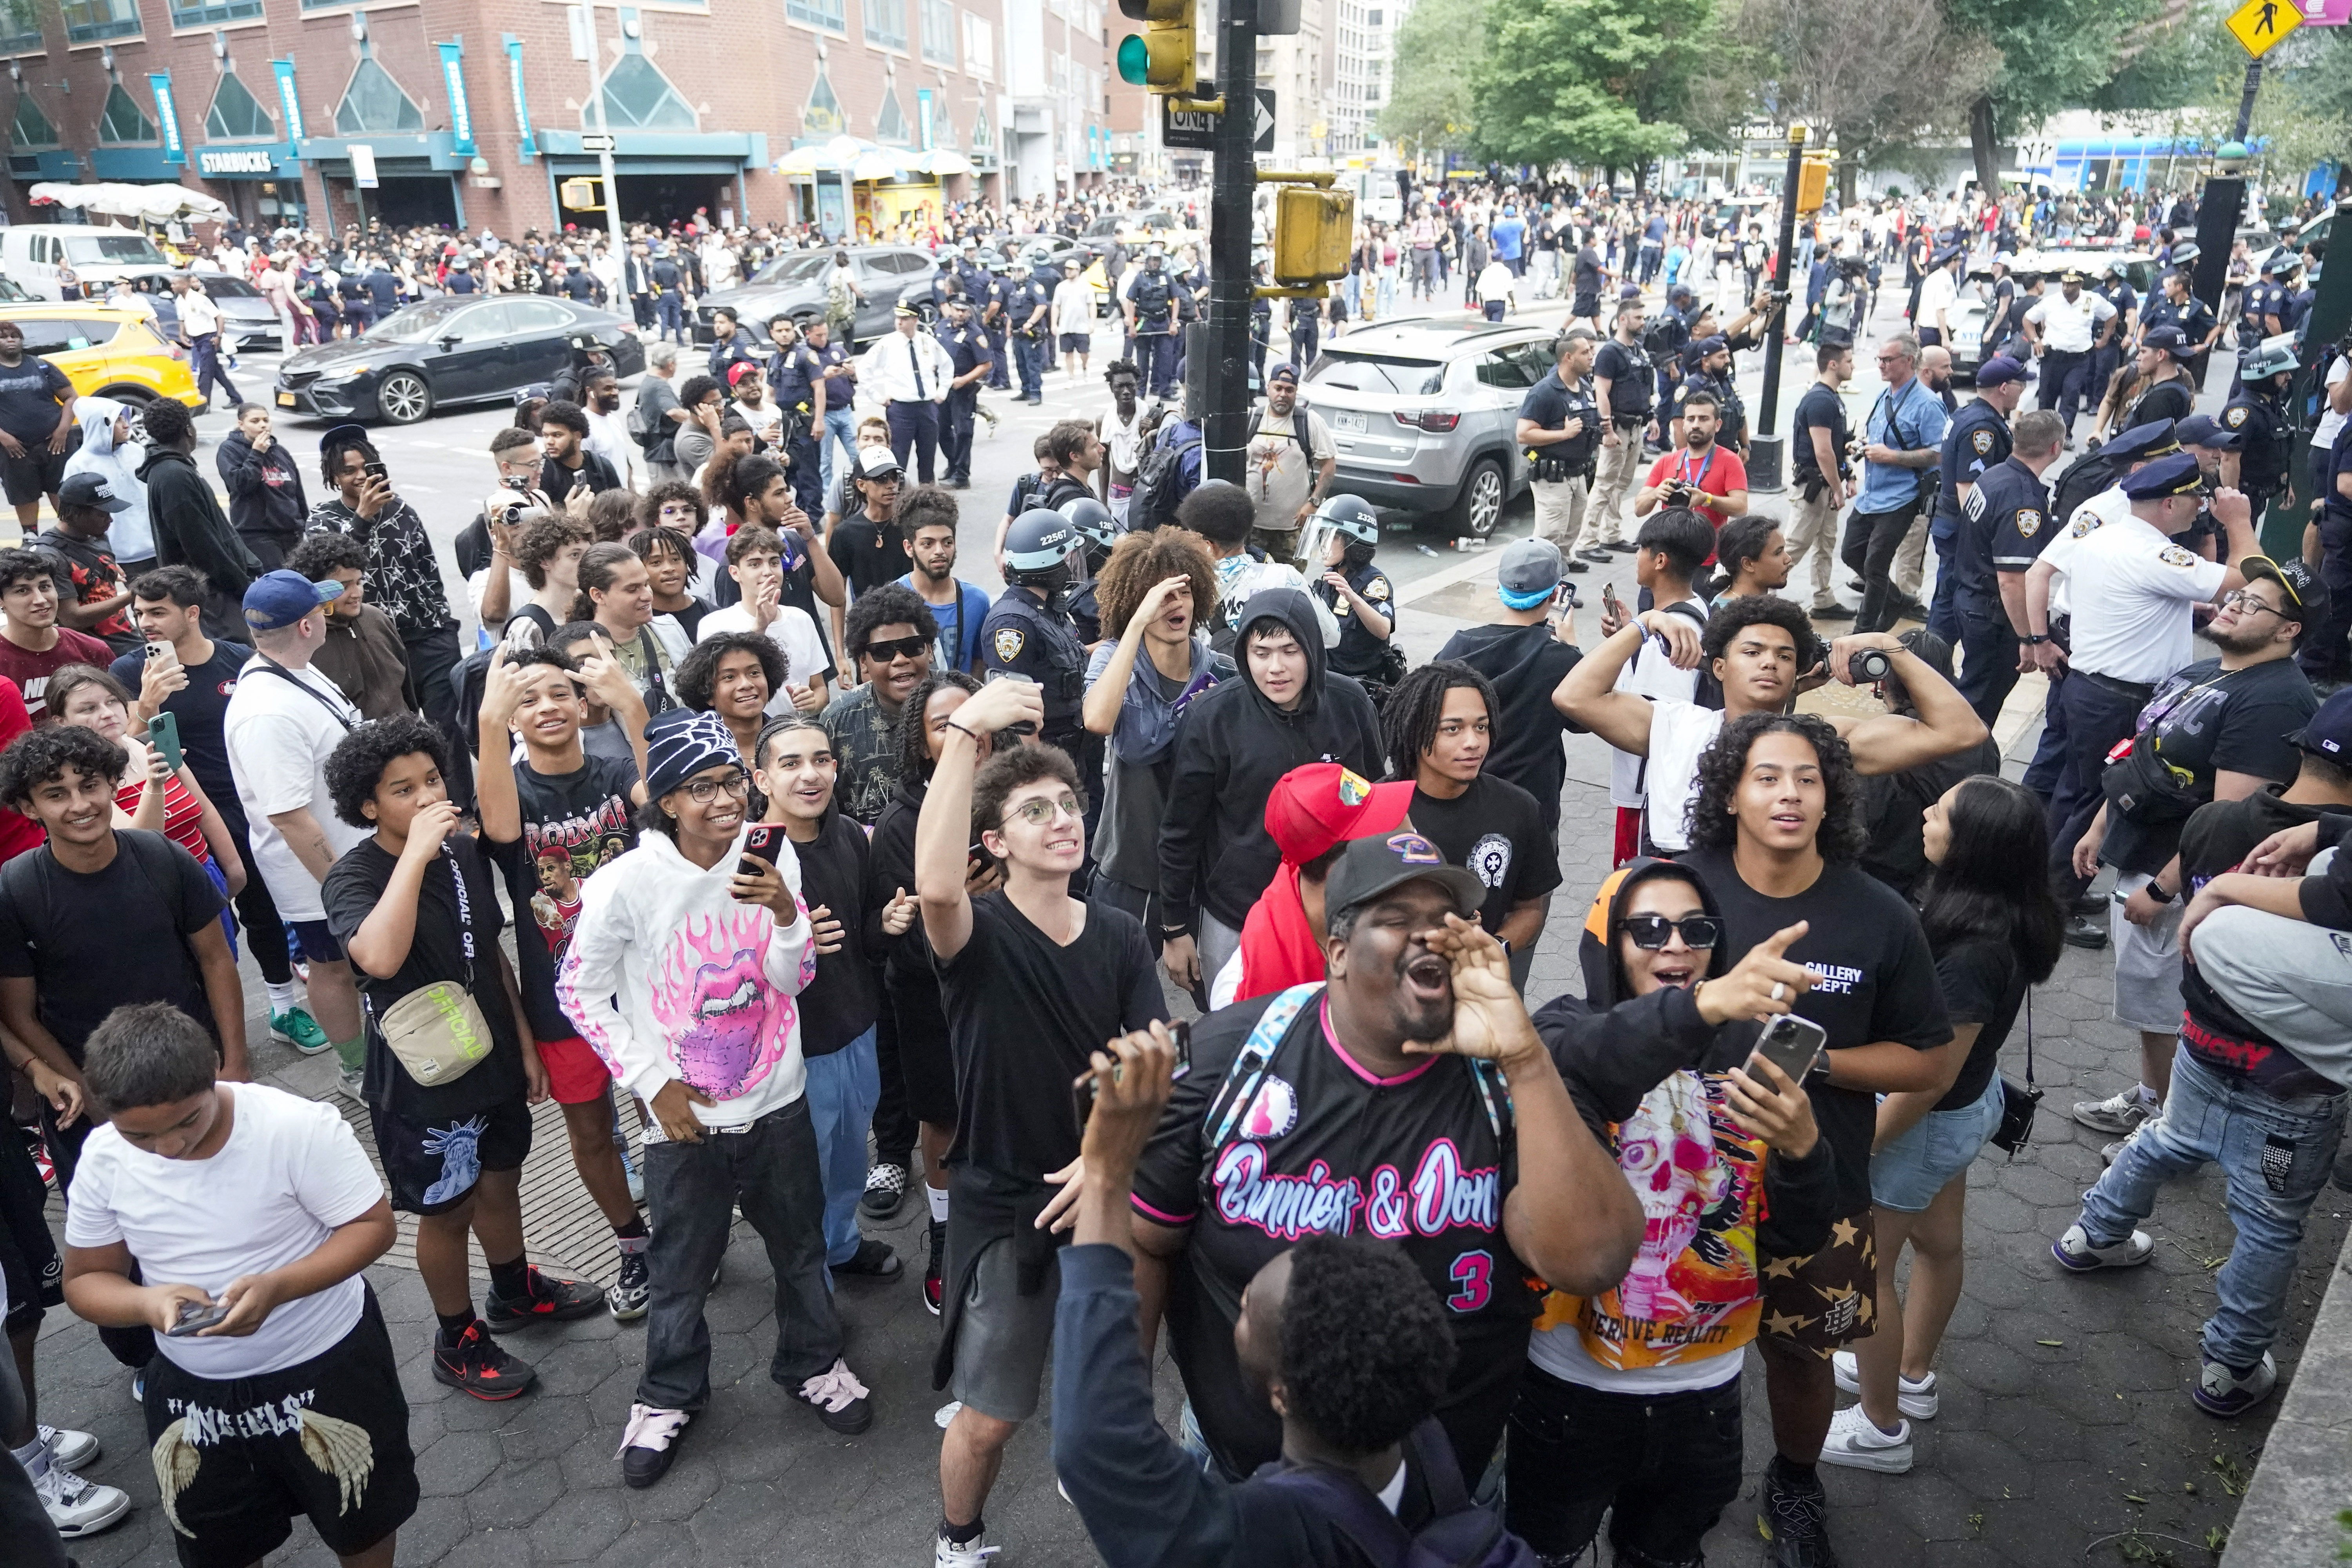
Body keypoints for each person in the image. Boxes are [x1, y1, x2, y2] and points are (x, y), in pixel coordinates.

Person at [1131, 829, 1643, 1485]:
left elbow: (1592, 1261)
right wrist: (1126, 1423)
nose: (1431, 935)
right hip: (1238, 1480)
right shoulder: (1226, 1056)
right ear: (1339, 952)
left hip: (1441, 1492)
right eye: (1399, 919)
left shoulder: (1515, 1078)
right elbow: (1148, 1240)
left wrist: (1524, 1059)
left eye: (1450, 921)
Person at [1054, 1025, 1537, 1568]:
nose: (1240, 1300)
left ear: (1282, 1396)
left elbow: (1098, 1452)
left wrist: (1106, 1175)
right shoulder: (1426, 1448)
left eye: (1246, 1313)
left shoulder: (1268, 1540)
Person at [557, 707, 873, 1487]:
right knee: (680, 1268)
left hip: (779, 1102)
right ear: (666, 800)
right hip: (684, 1121)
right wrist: (650, 1082)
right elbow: (578, 991)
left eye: (732, 780)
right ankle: (667, 1395)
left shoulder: (770, 857)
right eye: (702, 787)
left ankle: (813, 1362)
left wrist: (785, 914)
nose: (726, 799)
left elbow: (793, 978)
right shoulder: (624, 884)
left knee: (799, 1248)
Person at [1668, 711, 1956, 1566]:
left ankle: (1796, 1483)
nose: (1788, 794)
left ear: (1833, 797)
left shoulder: (1881, 915)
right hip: (1675, 1182)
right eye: (1766, 776)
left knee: (1800, 1354)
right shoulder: (1673, 894)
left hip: (1819, 1188)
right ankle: (1663, 1483)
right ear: (1730, 793)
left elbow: (1927, 1061)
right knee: (1667, 1344)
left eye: (1808, 778)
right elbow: (1610, 1021)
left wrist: (1817, 1062)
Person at [1512, 858, 1834, 1566]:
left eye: (1697, 929)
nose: (1677, 945)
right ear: (1607, 941)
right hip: (1571, 1395)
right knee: (1543, 1552)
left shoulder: (1751, 1055)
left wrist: (1803, 1151)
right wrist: (1705, 1007)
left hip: (1705, 1399)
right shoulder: (1563, 1029)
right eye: (1650, 929)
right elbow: (1587, 1058)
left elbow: (1793, 1238)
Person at [912, 677, 1166, 1568]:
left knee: (1112, 1388)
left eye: (1068, 804)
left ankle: (1087, 1465)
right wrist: (963, 736)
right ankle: (958, 1539)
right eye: (1034, 811)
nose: (1061, 820)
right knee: (989, 1417)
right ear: (995, 841)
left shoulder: (1121, 938)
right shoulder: (974, 935)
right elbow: (934, 885)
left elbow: (1151, 1064)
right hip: (1006, 1204)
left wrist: (1104, 1161)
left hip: (1103, 1196)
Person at [58, 1003, 414, 1568]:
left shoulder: (295, 1127)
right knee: (218, 1540)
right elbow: (85, 1280)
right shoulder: (104, 1158)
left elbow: (372, 1227)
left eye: (187, 1122)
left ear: (215, 1074)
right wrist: (146, 1302)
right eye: (139, 1135)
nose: (168, 1148)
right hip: (194, 1385)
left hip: (327, 1363)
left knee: (362, 1519)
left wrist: (280, 1286)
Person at [323, 713, 606, 1398]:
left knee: (502, 1178)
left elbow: (490, 956)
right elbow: (378, 957)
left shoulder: (464, 854)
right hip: (422, 1075)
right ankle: (457, 1339)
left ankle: (514, 1290)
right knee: (447, 1209)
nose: (427, 797)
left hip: (492, 1050)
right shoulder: (354, 875)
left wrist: (525, 1043)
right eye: (402, 790)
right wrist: (416, 856)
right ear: (368, 806)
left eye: (432, 780)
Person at [1823, 777, 2063, 1474]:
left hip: (1923, 1124)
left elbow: (1925, 1081)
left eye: (1941, 813)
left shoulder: (1970, 953)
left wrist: (1860, 1148)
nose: (1926, 815)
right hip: (1968, 1108)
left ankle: (1880, 1427)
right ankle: (1911, 1375)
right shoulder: (2007, 916)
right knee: (1939, 1244)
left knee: (1866, 1275)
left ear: (1972, 847)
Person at [2065, 556, 2318, 1156]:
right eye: (2238, 596)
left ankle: (2173, 1131)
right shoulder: (2209, 670)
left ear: (2289, 630)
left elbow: (2230, 821)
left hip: (2181, 879)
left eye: (2254, 604)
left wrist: (2162, 888)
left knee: (2165, 1005)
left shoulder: (2274, 702)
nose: (2234, 605)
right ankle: (2154, 1097)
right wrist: (2101, 825)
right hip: (2139, 851)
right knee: (2145, 999)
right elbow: (2143, 751)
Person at [1559, 596, 1990, 858]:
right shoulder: (1674, 723)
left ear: (1797, 671)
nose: (1770, 662)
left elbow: (1961, 732)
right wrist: (1645, 624)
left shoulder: (1823, 740)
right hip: (1686, 897)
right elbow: (1574, 697)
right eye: (1753, 652)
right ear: (1720, 667)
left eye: (1785, 656)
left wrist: (1891, 648)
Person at [2042, 456, 2266, 912]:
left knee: (2074, 795)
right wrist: (2239, 521)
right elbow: (2246, 580)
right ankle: (2054, 906)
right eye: (2193, 499)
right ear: (2168, 504)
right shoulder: (2155, 554)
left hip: (2089, 689)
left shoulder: (2106, 537)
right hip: (2120, 699)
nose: (2200, 507)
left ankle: (2040, 889)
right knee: (2101, 802)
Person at [1159, 588, 1383, 1001]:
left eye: (1290, 651)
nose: (1276, 668)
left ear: (1312, 649)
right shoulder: (1212, 717)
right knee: (1234, 1023)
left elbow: (1375, 806)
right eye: (1261, 653)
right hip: (1235, 914)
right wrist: (1175, 928)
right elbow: (1180, 829)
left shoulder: (1350, 704)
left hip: (1337, 911)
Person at [751, 716, 911, 1281]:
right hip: (794, 1049)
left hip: (857, 1028)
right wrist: (788, 941)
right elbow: (726, 964)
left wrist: (884, 923)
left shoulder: (847, 834)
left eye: (821, 760)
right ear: (763, 779)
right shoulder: (752, 857)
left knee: (848, 1158)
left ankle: (840, 1246)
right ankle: (808, 1291)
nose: (810, 775)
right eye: (791, 763)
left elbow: (861, 932)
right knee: (802, 1176)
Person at [1084, 529, 1230, 956]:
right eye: (1161, 596)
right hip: (1130, 867)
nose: (1175, 604)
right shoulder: (1114, 659)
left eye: (1184, 592)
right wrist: (1134, 626)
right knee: (1114, 989)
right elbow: (1097, 720)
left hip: (1199, 868)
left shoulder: (1221, 671)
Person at [308, 428, 466, 807]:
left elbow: (429, 570)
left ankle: (460, 809)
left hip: (428, 637)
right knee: (397, 733)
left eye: (366, 467)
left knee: (448, 729)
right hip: (371, 640)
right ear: (333, 476)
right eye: (349, 471)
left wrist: (443, 623)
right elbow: (326, 573)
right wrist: (362, 519)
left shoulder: (403, 511)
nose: (360, 476)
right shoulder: (323, 520)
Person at [1381, 662, 1561, 988]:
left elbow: (1530, 908)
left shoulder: (1519, 808)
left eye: (1481, 727)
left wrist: (1493, 948)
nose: (1473, 742)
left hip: (1479, 990)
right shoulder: (1375, 809)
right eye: (1453, 729)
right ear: (1415, 730)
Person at [1840, 334, 1950, 634]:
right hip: (1871, 495)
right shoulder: (1884, 396)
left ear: (1909, 361)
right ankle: (1898, 600)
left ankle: (1863, 633)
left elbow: (1939, 454)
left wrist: (1892, 456)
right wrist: (1864, 446)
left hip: (1902, 498)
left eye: (1888, 360)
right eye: (1880, 359)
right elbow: (1879, 437)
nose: (1881, 365)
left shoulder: (1928, 404)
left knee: (1875, 566)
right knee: (1851, 553)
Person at [1923, 355, 2029, 642]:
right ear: (2004, 388)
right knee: (1951, 602)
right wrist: (1982, 539)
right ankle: (1930, 660)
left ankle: (1930, 657)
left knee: (1948, 596)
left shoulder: (1969, 414)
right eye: (2020, 386)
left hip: (1951, 524)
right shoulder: (1982, 427)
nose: (2023, 392)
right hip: (1962, 529)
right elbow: (1968, 488)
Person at [141, 399, 261, 643]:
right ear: (188, 430)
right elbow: (200, 544)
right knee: (236, 652)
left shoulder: (176, 469)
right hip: (210, 595)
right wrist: (241, 585)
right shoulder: (174, 476)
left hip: (215, 590)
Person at [822, 584, 937, 826]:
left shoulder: (966, 702)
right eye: (883, 652)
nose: (900, 660)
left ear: (930, 650)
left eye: (912, 646)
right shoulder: (837, 722)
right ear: (863, 663)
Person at [696, 526, 833, 716]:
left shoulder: (801, 619)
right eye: (755, 565)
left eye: (774, 563)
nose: (768, 572)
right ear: (735, 573)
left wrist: (812, 702)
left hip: (796, 728)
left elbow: (820, 688)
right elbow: (715, 693)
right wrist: (760, 628)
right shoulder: (714, 624)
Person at [287, 532, 417, 721]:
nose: (356, 594)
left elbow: (408, 691)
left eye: (359, 582)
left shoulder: (377, 619)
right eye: (344, 587)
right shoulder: (305, 643)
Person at [1518, 331, 1607, 566]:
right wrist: (1564, 434)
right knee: (1550, 533)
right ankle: (1539, 577)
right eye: (1585, 352)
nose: (1591, 356)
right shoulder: (1544, 391)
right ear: (1568, 357)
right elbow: (1523, 434)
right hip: (1553, 475)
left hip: (1579, 473)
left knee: (1572, 527)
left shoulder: (1584, 386)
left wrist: (1602, 430)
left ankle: (1563, 563)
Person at [0, 548, 115, 721]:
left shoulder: (92, 650)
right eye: (23, 591)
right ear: (2, 601)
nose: (40, 600)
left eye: (45, 587)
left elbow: (120, 716)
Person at [31, 473, 138, 657]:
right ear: (75, 513)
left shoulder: (97, 536)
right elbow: (72, 618)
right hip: (91, 653)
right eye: (102, 514)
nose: (110, 520)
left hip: (128, 640)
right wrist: (133, 594)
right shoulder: (49, 554)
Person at [1307, 495, 1398, 705]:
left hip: (1360, 691)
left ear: (1354, 542)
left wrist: (1353, 597)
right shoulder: (1328, 579)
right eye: (1322, 536)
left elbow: (1383, 629)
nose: (1324, 545)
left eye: (1332, 537)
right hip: (1327, 680)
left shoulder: (1374, 582)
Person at [1244, 366, 1337, 566]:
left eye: (1289, 390)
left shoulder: (1309, 422)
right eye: (1278, 388)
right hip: (1251, 528)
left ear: (1296, 392)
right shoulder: (1251, 419)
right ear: (1268, 388)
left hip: (1292, 531)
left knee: (1290, 581)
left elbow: (1329, 467)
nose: (1283, 395)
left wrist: (1313, 503)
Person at [898, 486, 993, 674]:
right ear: (909, 548)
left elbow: (980, 662)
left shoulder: (977, 601)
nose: (940, 551)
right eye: (928, 544)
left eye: (947, 542)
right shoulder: (894, 601)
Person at [60, 397, 152, 583]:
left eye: (125, 418)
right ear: (100, 425)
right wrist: (101, 555)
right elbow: (76, 518)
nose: (126, 425)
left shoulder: (137, 451)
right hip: (119, 555)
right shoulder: (79, 464)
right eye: (118, 420)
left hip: (156, 547)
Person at [0, 318, 77, 537]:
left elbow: (71, 398)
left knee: (62, 488)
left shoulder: (42, 366)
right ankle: (30, 536)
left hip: (56, 444)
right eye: (3, 337)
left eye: (15, 336)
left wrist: (63, 430)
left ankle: (71, 534)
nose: (10, 341)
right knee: (23, 493)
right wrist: (4, 437)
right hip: (14, 449)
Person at [2022, 270, 2118, 445]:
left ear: (2080, 285)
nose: (2067, 288)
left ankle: (2064, 436)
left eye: (2072, 285)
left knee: (2071, 395)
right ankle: (2043, 436)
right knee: (2047, 397)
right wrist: (2035, 341)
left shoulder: (2092, 300)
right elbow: (2028, 320)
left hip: (2079, 359)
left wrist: (2105, 338)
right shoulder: (2051, 301)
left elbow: (2112, 315)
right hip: (2053, 357)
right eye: (2065, 284)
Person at [1633, 390, 1748, 534]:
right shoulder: (1666, 461)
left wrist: (1707, 499)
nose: (1695, 425)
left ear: (1718, 425)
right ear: (1684, 424)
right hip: (1670, 543)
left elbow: (1741, 508)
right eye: (1691, 419)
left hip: (1709, 546)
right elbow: (1639, 510)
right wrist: (1655, 494)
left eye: (1704, 419)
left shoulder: (1730, 461)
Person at [866, 304, 955, 485]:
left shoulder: (927, 341)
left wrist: (942, 391)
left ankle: (927, 494)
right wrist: (877, 396)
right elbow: (865, 368)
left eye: (905, 319)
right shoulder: (887, 343)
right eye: (898, 318)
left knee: (928, 455)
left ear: (915, 320)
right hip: (901, 409)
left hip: (926, 407)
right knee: (898, 457)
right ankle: (897, 494)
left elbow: (947, 365)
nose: (899, 322)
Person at [1590, 299, 1654, 548]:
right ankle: (1587, 542)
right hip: (1617, 428)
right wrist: (1607, 430)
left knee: (1622, 484)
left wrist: (1652, 418)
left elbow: (1646, 388)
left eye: (1643, 317)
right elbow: (1601, 393)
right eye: (1638, 318)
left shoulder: (1640, 350)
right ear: (1623, 320)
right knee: (1605, 484)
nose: (1643, 322)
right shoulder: (1610, 353)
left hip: (1636, 426)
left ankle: (1611, 535)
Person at [215, 403, 307, 573]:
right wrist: (257, 453)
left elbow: (297, 492)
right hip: (258, 533)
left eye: (266, 420)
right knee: (280, 580)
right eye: (255, 421)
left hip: (290, 531)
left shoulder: (280, 452)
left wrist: (304, 524)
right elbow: (241, 484)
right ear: (241, 425)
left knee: (301, 578)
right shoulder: (229, 450)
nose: (263, 425)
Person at [539, 400, 623, 510]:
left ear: (578, 436)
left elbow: (620, 508)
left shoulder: (602, 466)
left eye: (557, 435)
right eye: (546, 435)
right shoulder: (542, 470)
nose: (549, 442)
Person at [1713, 514, 1792, 600]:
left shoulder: (1755, 603)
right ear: (1748, 564)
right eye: (1778, 553)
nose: (1788, 559)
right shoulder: (1733, 609)